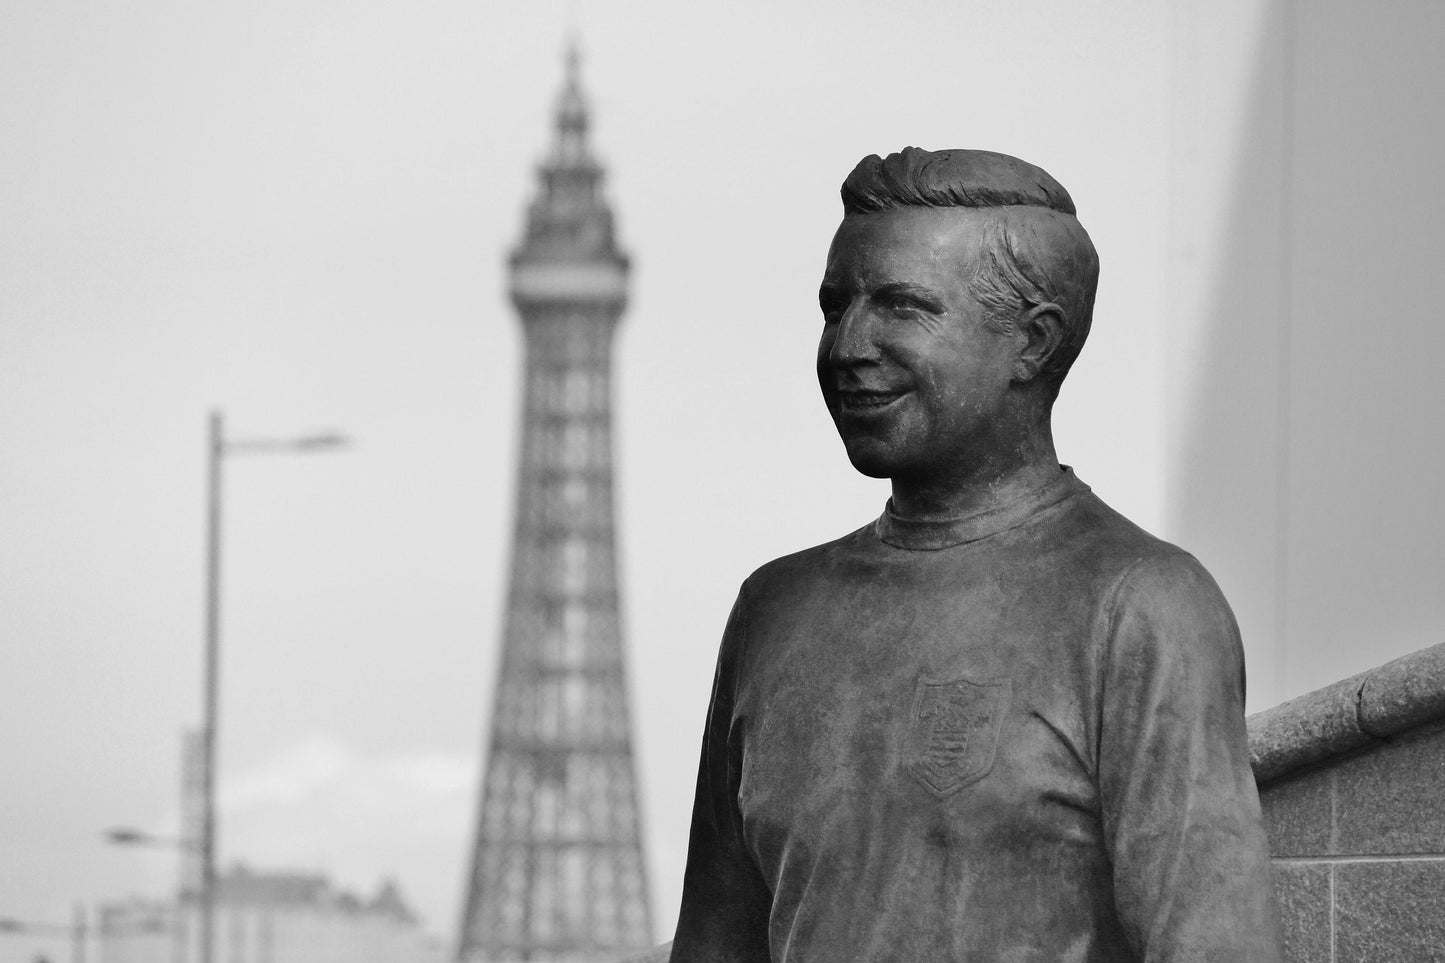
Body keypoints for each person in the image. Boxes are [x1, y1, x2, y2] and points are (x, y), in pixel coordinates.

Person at [666, 148, 1281, 962]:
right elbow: (714, 942)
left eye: (902, 307)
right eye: (834, 305)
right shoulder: (772, 610)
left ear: (1033, 341)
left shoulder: (1141, 604)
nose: (849, 343)